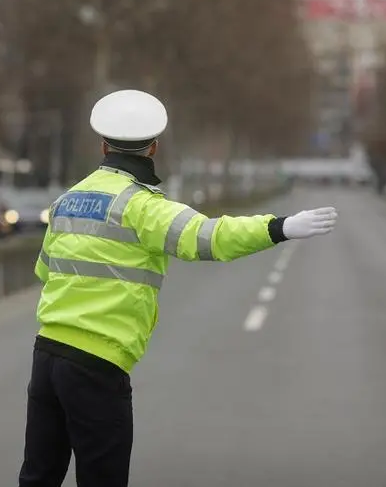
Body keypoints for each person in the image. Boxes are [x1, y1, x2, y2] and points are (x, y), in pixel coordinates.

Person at [18, 89, 338, 487]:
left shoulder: (68, 200)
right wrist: (280, 227)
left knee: (38, 477)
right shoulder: (142, 207)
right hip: (97, 366)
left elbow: (45, 271)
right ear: (153, 147)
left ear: (102, 145)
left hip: (46, 357)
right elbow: (210, 238)